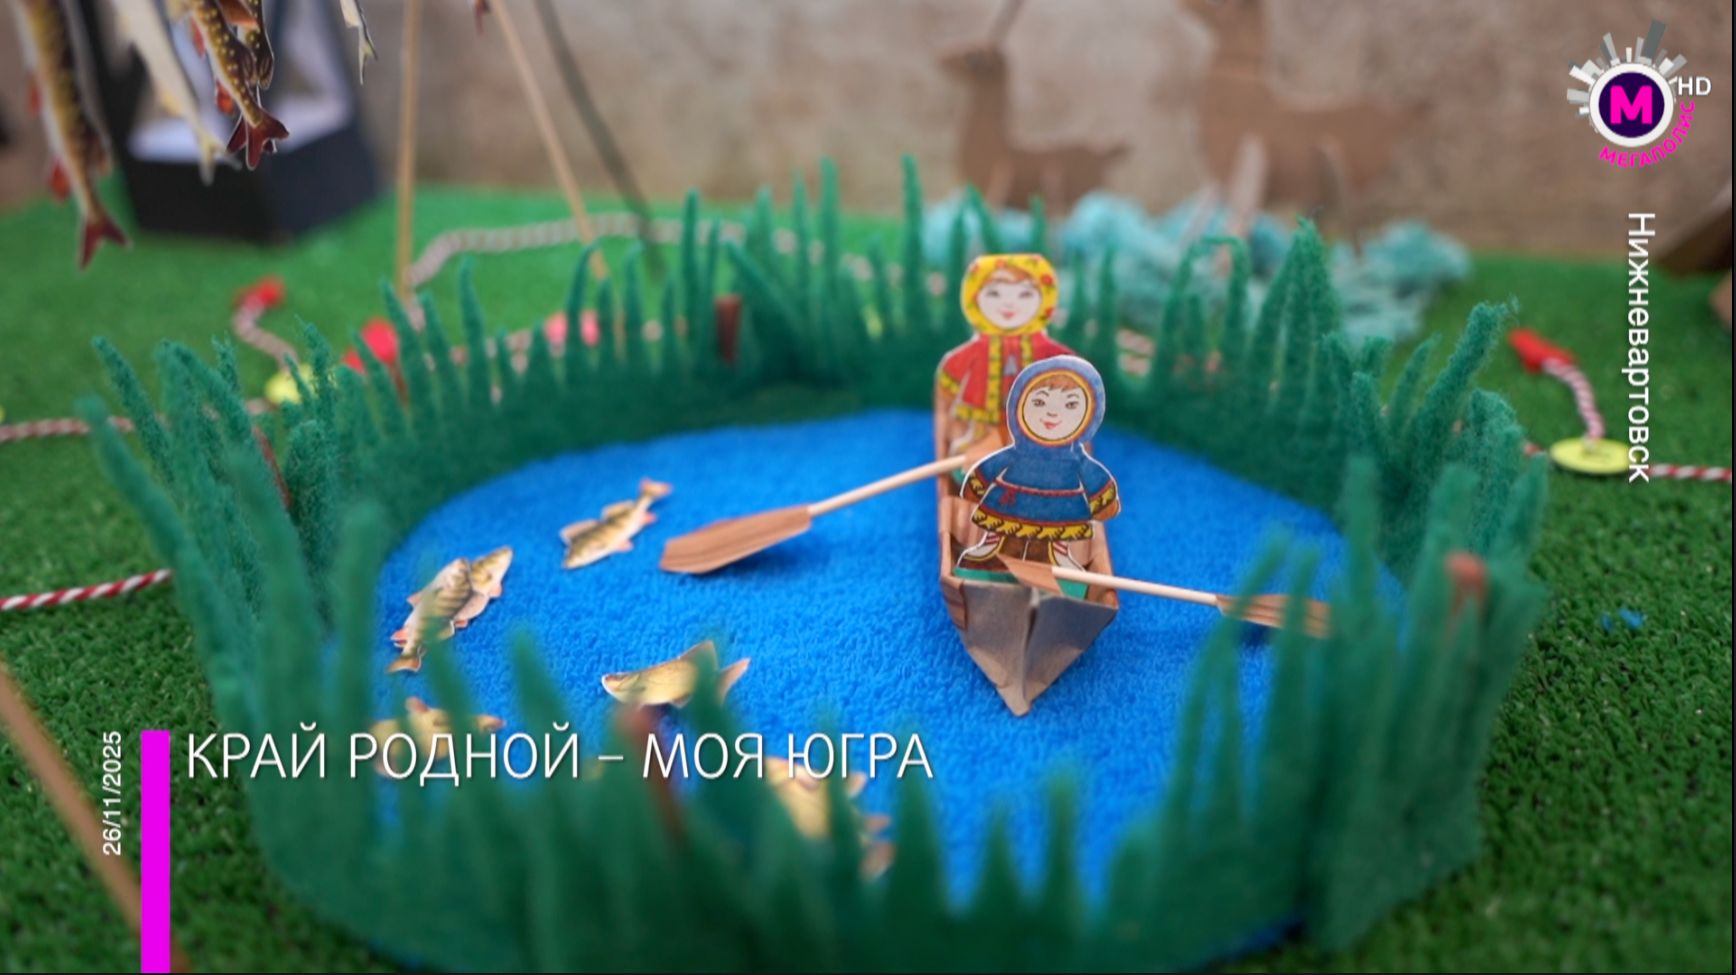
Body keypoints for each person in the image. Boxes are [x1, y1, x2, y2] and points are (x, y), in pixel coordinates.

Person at [958, 355, 1119, 572]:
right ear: (1019, 406)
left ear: (1090, 416)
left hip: (1060, 508)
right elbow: (991, 467)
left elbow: (1094, 476)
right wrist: (976, 485)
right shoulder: (1015, 454)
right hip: (1011, 502)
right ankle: (990, 548)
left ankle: (1059, 557)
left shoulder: (1076, 460)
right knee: (1001, 530)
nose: (1052, 413)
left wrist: (1104, 501)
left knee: (1056, 539)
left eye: (1071, 405)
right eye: (1039, 402)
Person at [936, 253, 1074, 454]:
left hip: (1038, 431)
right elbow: (947, 393)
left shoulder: (1053, 354)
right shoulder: (970, 353)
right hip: (984, 430)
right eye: (994, 294)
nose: (1009, 304)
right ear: (975, 297)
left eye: (1025, 295)